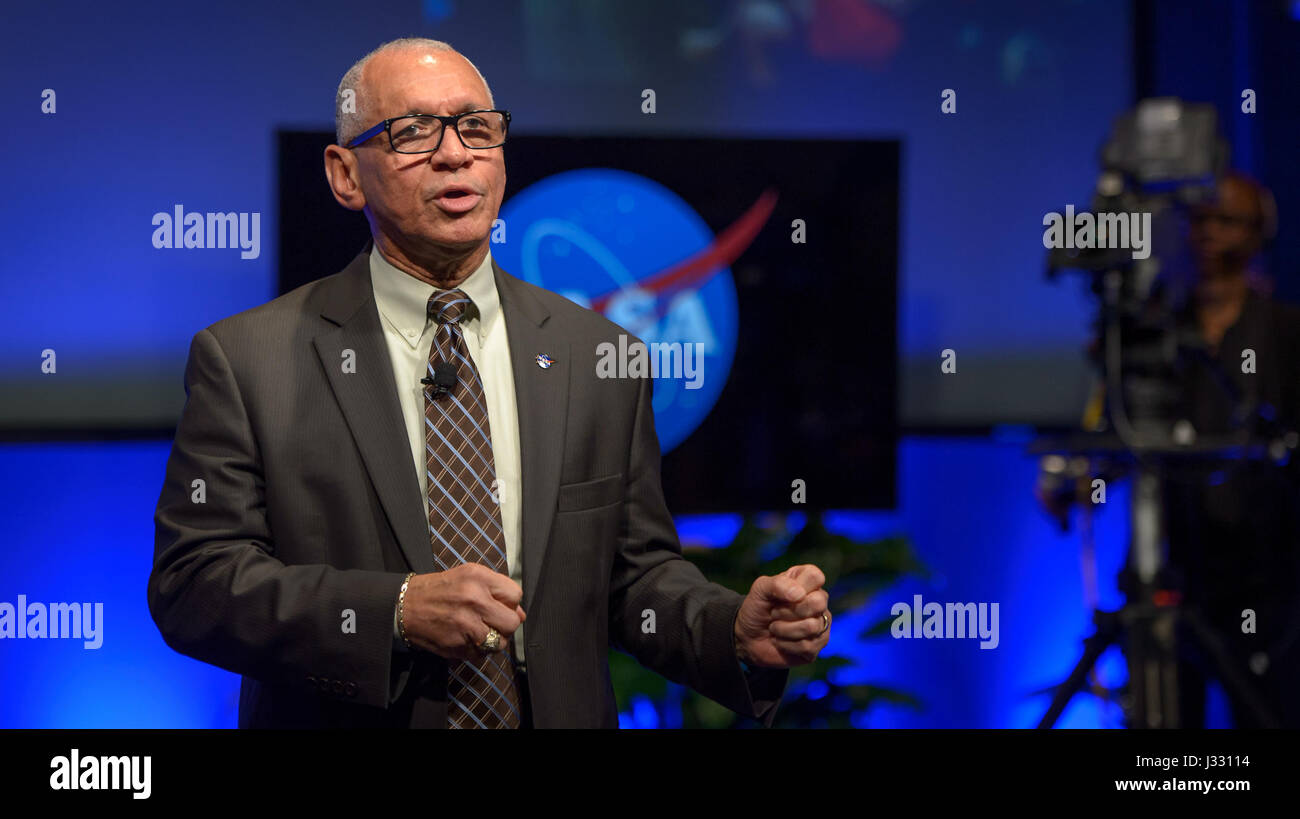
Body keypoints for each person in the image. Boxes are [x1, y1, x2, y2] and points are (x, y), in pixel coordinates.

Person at [148, 37, 831, 728]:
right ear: (345, 174)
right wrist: (394, 610)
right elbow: (194, 584)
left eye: (477, 127)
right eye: (414, 131)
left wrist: (731, 631)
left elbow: (634, 578)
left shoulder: (598, 354)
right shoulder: (250, 360)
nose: (455, 153)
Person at [1038, 171, 1300, 728]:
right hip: (1168, 561)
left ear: (1258, 233)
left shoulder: (1283, 331)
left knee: (1265, 710)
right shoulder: (1152, 329)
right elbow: (1119, 431)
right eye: (1199, 220)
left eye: (1226, 220)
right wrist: (1079, 480)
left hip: (1262, 570)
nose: (1209, 233)